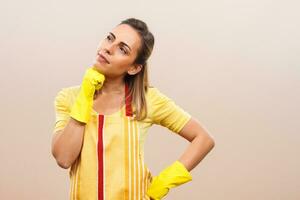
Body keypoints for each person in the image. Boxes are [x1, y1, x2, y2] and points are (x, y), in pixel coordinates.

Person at [51, 18, 215, 200]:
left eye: (122, 49)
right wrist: (84, 97)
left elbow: (203, 139)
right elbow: (64, 158)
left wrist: (163, 183)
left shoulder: (147, 100)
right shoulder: (68, 98)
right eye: (109, 38)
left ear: (134, 68)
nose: (108, 48)